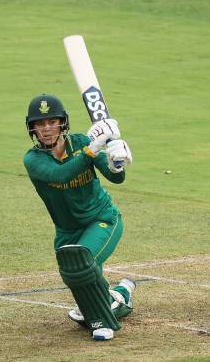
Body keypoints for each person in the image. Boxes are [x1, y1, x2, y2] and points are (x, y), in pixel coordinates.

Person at [23, 94, 135, 340]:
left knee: (81, 265)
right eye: (40, 124)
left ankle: (101, 325)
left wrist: (116, 160)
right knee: (76, 274)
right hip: (67, 231)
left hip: (102, 218)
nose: (47, 129)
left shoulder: (81, 143)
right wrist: (92, 148)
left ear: (63, 123)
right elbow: (61, 174)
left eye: (52, 122)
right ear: (32, 128)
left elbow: (116, 178)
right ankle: (120, 295)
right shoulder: (33, 160)